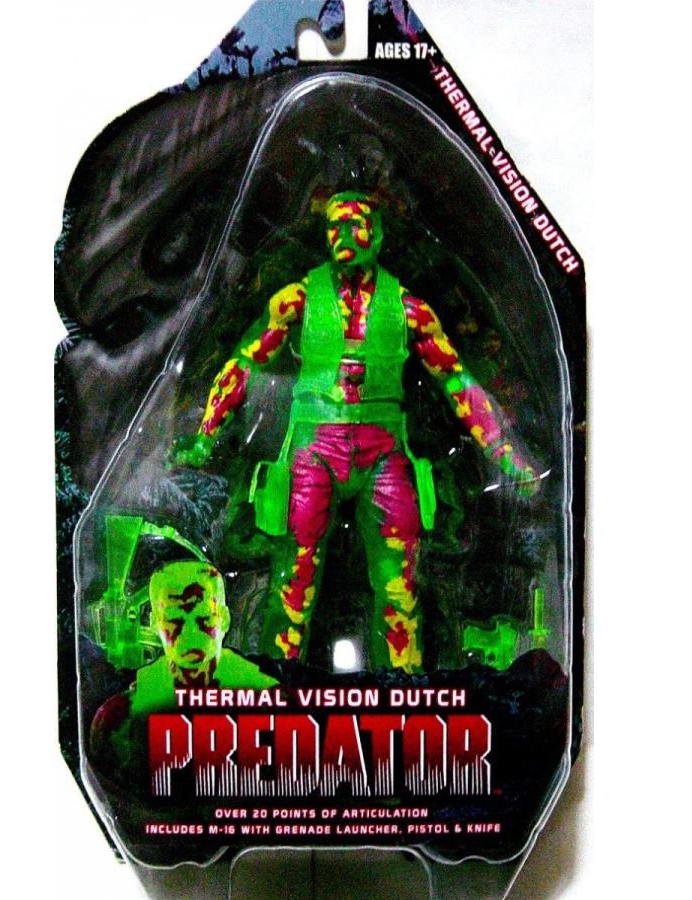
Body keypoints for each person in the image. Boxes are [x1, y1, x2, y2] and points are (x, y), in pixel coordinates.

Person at [171, 191, 538, 673]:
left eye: (355, 223)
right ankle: (277, 684)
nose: (343, 233)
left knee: (399, 585)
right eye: (334, 225)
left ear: (377, 234)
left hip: (383, 448)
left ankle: (404, 688)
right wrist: (205, 435)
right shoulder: (297, 298)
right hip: (314, 448)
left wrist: (505, 452)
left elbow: (456, 379)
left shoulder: (408, 308)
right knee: (294, 582)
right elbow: (245, 363)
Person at [90, 530, 276, 777]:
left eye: (202, 619)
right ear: (154, 623)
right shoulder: (121, 717)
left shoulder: (267, 697)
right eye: (175, 621)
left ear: (224, 619)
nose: (189, 634)